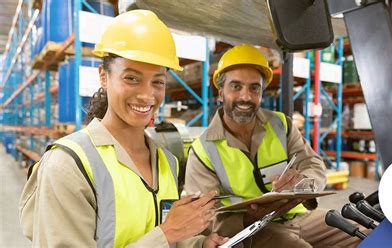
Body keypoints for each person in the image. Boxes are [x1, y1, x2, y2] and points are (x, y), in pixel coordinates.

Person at [19, 10, 227, 248]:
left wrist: (198, 244)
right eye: (131, 78)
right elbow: (164, 234)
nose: (147, 95)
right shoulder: (68, 164)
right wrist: (166, 233)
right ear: (104, 77)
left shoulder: (165, 161)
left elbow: (166, 237)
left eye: (157, 81)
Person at [185, 44, 366, 247]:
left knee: (367, 233)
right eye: (236, 87)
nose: (245, 97)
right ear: (220, 93)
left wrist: (303, 183)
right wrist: (247, 218)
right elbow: (203, 217)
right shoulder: (203, 150)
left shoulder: (281, 125)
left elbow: (313, 163)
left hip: (299, 217)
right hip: (252, 230)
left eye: (254, 88)